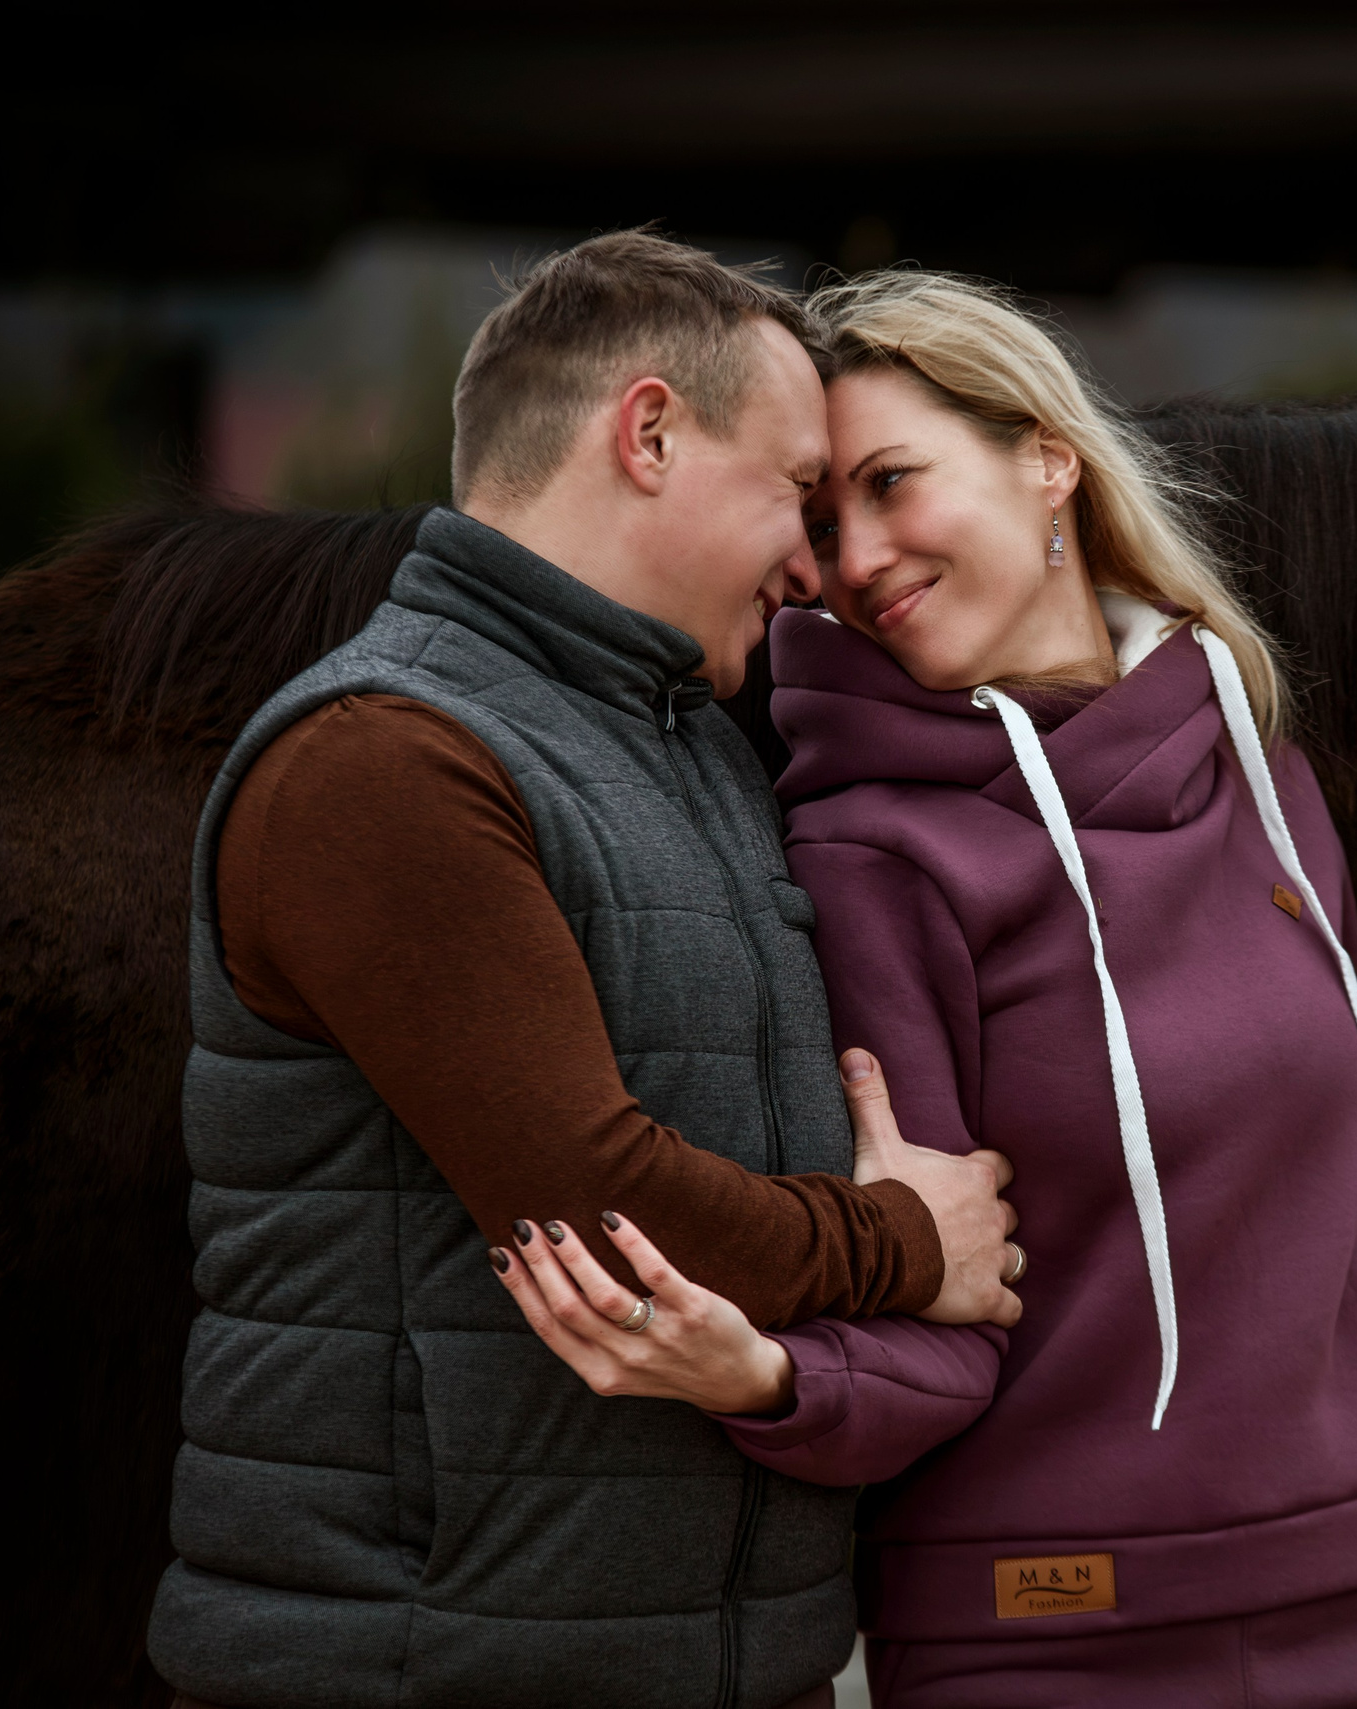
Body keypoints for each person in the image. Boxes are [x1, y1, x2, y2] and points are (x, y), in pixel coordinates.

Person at [501, 271, 1357, 1707]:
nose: (857, 559)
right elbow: (929, 1291)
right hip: (1045, 1633)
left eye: (894, 484)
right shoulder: (866, 851)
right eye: (824, 520)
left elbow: (1334, 1143)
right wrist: (771, 1380)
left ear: (1047, 459)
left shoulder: (1258, 770)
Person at [146, 232, 1026, 1709]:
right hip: (417, 1670)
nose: (817, 563)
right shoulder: (385, 756)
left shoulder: (698, 756)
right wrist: (898, 1244)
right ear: (651, 432)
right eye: (796, 492)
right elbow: (598, 1203)